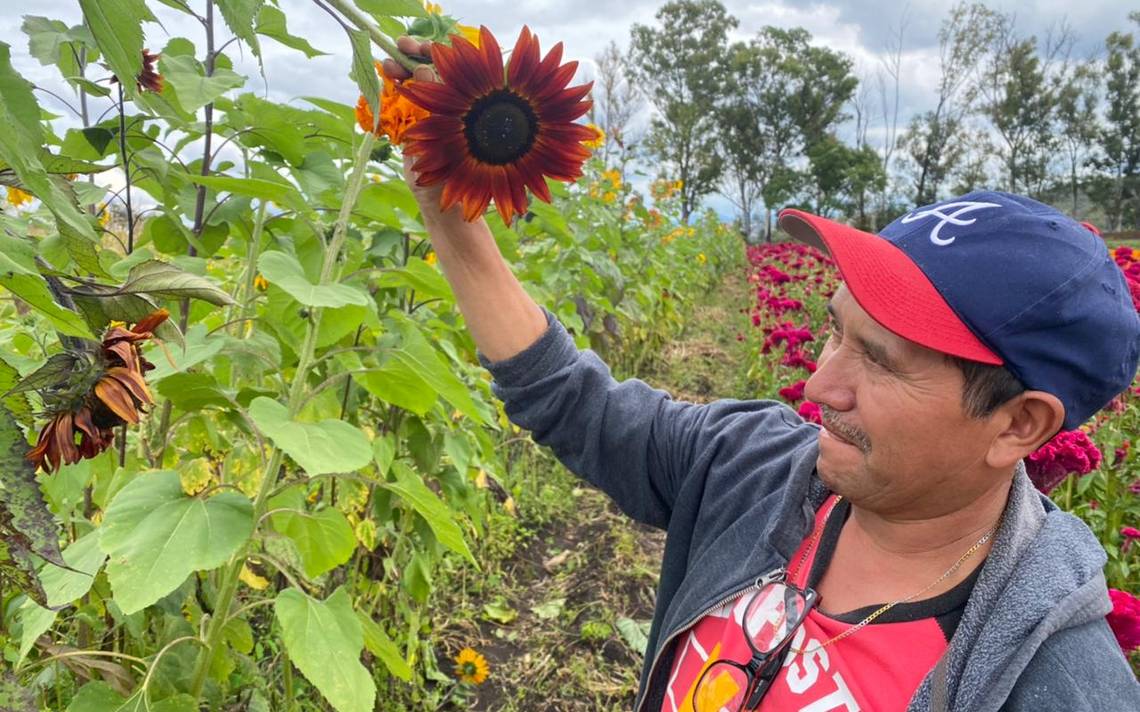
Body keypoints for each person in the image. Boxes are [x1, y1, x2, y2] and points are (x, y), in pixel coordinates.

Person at [384, 39, 1140, 712]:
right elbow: (574, 403)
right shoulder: (753, 466)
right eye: (836, 330)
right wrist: (451, 215)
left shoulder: (1051, 684)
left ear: (1019, 424)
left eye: (879, 360)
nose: (818, 386)